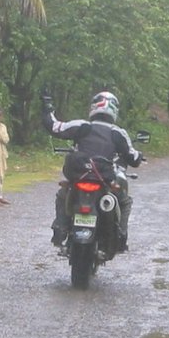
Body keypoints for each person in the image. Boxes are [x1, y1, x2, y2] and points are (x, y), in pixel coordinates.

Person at [42, 90, 143, 250]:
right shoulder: (118, 133)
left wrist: (47, 107)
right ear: (114, 111)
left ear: (94, 107)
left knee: (63, 194)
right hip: (104, 179)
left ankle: (60, 229)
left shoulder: (81, 126)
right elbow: (133, 158)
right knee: (124, 201)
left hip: (79, 176)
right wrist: (139, 155)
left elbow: (54, 126)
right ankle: (121, 237)